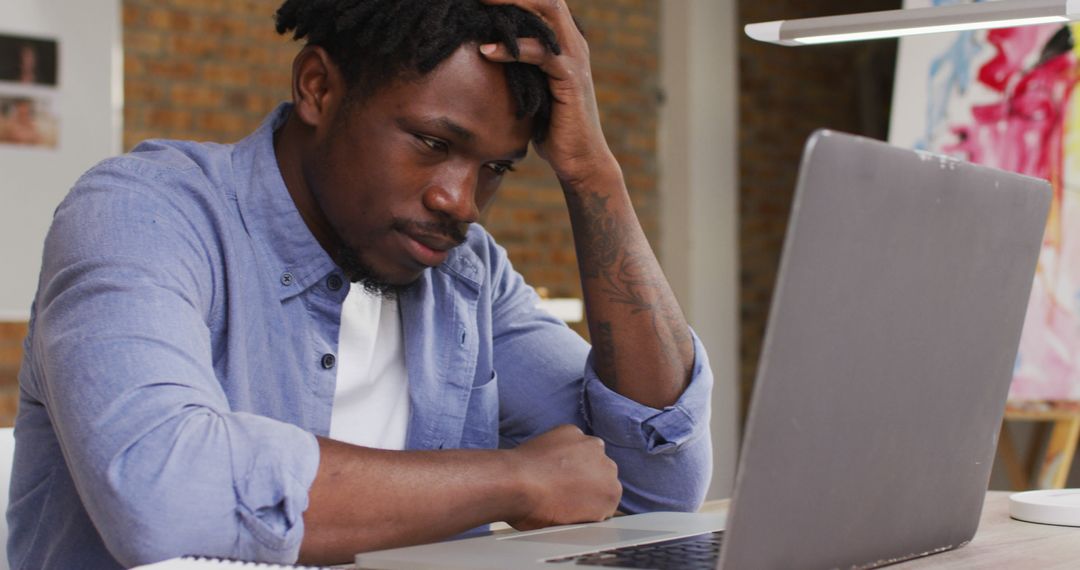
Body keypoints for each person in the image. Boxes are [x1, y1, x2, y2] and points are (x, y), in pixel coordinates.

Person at [8, 0, 714, 567]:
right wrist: (515, 478)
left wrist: (594, 174)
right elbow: (159, 490)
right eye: (434, 145)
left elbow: (656, 488)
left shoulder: (468, 276)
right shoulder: (144, 213)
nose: (461, 201)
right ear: (317, 85)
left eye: (495, 168)